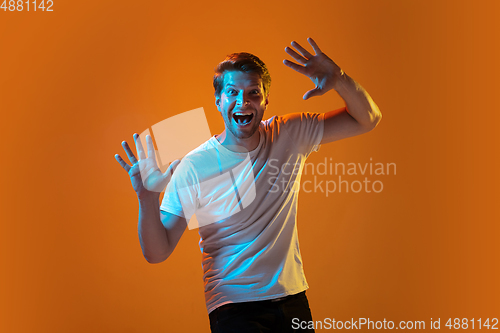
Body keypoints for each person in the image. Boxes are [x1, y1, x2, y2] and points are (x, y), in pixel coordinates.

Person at [115, 38, 382, 332]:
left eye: (254, 93)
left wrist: (340, 79)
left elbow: (367, 118)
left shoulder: (288, 134)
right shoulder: (193, 165)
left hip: (293, 299)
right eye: (232, 92)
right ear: (218, 101)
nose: (243, 102)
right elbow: (157, 252)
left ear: (266, 99)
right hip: (233, 307)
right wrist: (147, 197)